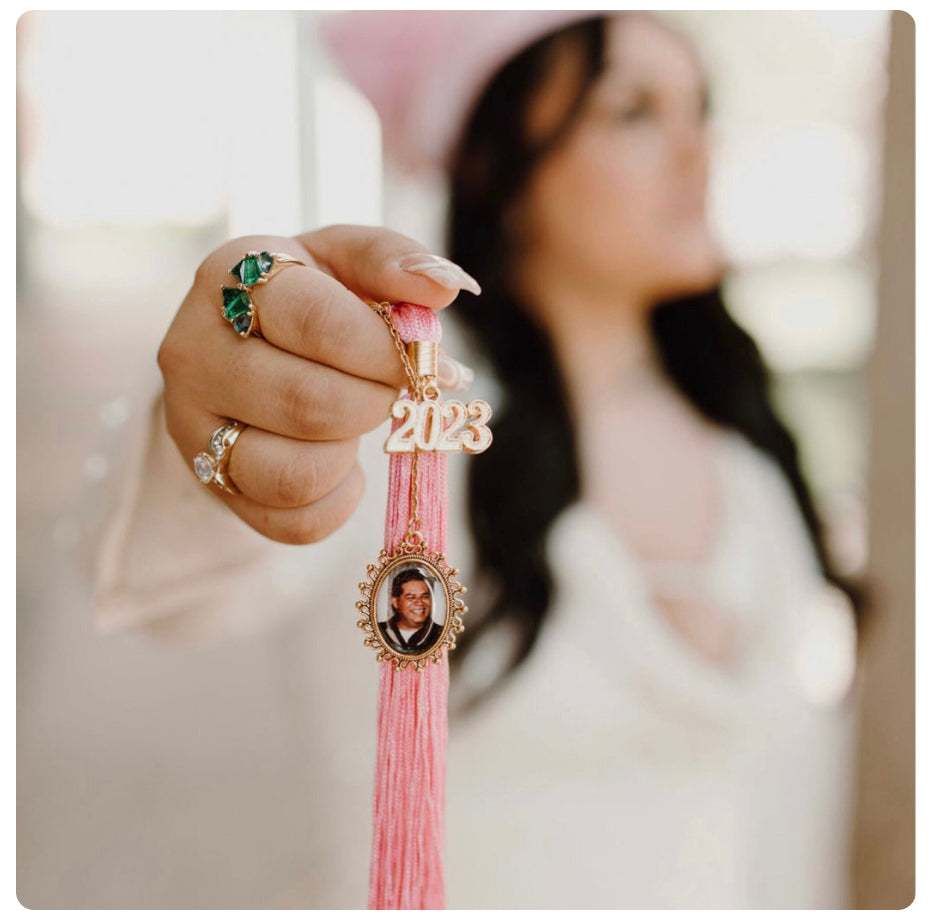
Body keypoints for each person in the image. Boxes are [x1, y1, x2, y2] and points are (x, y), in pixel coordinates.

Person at [94, 11, 860, 908]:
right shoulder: (399, 417)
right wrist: (208, 425)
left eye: (702, 110)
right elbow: (158, 584)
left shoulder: (739, 435)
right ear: (496, 161)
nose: (700, 152)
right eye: (635, 112)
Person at [379, 568, 443, 653]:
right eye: (411, 597)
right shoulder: (379, 631)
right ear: (396, 602)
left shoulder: (441, 634)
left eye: (424, 597)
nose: (419, 602)